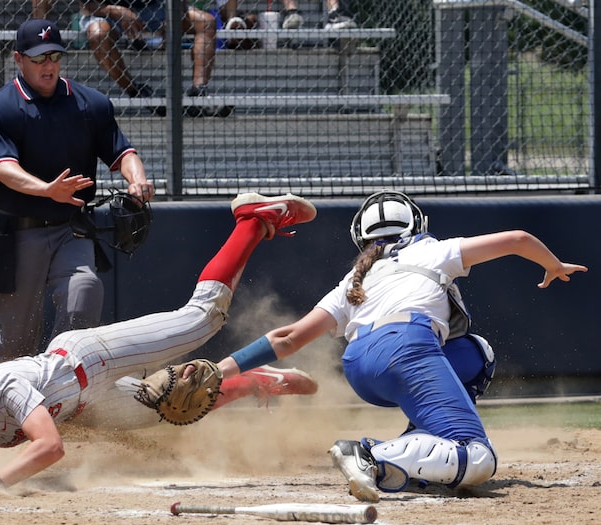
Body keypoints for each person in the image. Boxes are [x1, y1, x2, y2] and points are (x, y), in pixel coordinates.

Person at [0, 193, 319, 495]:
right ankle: (253, 382)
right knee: (174, 409)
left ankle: (253, 219)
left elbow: (50, 447)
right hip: (81, 399)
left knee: (202, 318)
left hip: (91, 359)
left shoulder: (2, 390)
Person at [194, 190, 588, 502]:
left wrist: (220, 369)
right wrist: (553, 264)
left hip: (361, 369)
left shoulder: (353, 280)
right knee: (479, 459)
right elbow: (518, 238)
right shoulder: (432, 249)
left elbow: (288, 337)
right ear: (417, 225)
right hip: (408, 348)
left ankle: (420, 443)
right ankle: (371, 455)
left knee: (475, 353)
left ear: (361, 240)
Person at [0, 18, 157, 365]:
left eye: (54, 56)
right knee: (18, 340)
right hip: (18, 230)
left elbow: (124, 153)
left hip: (71, 227)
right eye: (38, 58)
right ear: (19, 59)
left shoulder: (90, 104)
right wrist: (47, 190)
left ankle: (61, 389)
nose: (48, 65)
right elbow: (1, 167)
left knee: (84, 293)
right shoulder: (2, 107)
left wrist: (136, 179)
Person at [78, 0, 223, 116]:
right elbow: (85, 5)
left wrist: (176, 16)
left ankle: (198, 92)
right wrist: (114, 10)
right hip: (107, 11)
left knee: (206, 22)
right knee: (98, 34)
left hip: (156, 8)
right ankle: (136, 91)